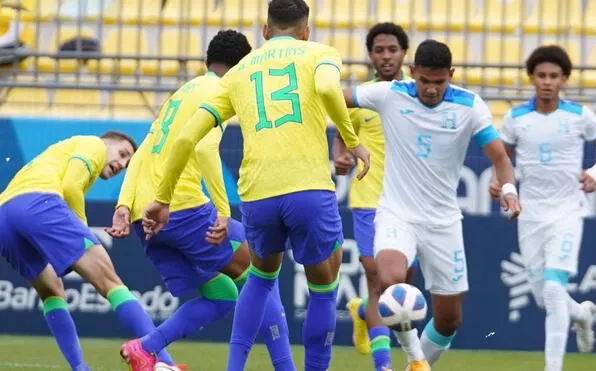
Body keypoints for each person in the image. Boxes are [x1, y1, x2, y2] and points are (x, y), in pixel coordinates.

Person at [142, 1, 370, 369]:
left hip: (258, 194)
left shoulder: (239, 71)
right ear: (306, 31)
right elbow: (329, 89)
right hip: (308, 186)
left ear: (264, 31)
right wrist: (351, 139)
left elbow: (186, 139)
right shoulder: (320, 53)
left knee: (261, 278)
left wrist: (162, 198)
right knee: (324, 288)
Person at [106, 30, 294, 371]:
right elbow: (206, 148)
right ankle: (286, 367)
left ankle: (145, 349)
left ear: (209, 60)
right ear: (240, 68)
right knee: (259, 271)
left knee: (223, 294)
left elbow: (145, 149)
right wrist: (223, 210)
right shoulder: (221, 91)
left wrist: (123, 205)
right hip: (180, 207)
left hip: (143, 216)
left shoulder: (183, 92)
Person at [341, 39, 521, 370]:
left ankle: (417, 365)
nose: (432, 89)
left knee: (449, 320)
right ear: (412, 74)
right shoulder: (389, 94)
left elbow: (499, 156)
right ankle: (416, 360)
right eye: (425, 81)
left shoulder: (469, 106)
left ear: (451, 75)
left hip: (443, 223)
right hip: (398, 213)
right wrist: (347, 144)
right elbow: (335, 100)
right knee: (392, 283)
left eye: (439, 82)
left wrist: (509, 188)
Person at [0, 132, 180, 370]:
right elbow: (71, 187)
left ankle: (79, 367)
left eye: (127, 165)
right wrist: (82, 230)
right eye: (123, 154)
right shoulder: (93, 144)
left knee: (51, 292)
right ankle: (165, 363)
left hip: (4, 215)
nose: (122, 165)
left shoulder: (59, 154)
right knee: (112, 283)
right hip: (39, 202)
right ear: (107, 143)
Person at [489, 45, 596, 371]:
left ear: (564, 79)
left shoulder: (579, 116)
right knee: (545, 298)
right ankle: (582, 315)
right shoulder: (516, 118)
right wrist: (501, 185)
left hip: (567, 212)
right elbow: (501, 158)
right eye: (541, 76)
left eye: (554, 76)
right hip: (529, 215)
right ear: (532, 78)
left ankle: (553, 367)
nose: (547, 82)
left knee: (552, 288)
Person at [331, 22, 414, 371]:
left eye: (392, 50)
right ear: (370, 55)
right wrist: (341, 155)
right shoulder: (360, 96)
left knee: (401, 287)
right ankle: (384, 365)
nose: (385, 56)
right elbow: (340, 132)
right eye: (379, 50)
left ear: (403, 53)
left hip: (407, 202)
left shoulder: (416, 94)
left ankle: (364, 310)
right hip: (367, 198)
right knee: (376, 275)